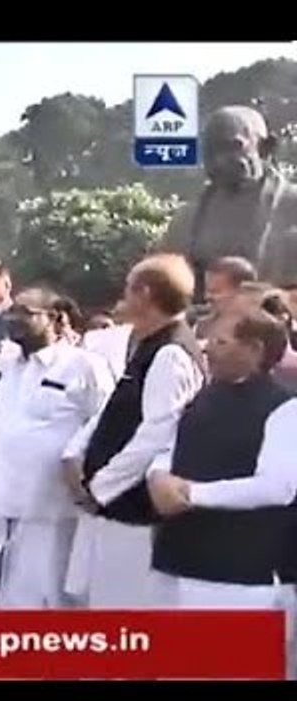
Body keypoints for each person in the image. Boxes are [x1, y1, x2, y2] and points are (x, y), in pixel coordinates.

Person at [146, 310, 297, 673]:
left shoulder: (284, 408)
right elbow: (170, 449)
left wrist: (190, 495)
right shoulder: (205, 396)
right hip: (179, 558)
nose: (207, 349)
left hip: (239, 572)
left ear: (255, 349)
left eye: (220, 341)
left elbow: (278, 487)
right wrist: (158, 477)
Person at [62, 253, 205, 607]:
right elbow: (117, 411)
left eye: (128, 287)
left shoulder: (170, 353)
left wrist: (101, 486)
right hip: (111, 507)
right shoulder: (148, 345)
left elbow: (156, 433)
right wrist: (76, 454)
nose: (122, 295)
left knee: (122, 609)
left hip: (134, 511)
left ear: (144, 293)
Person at [0, 288, 115, 608]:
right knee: (2, 597)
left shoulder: (84, 366)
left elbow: (105, 423)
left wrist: (88, 479)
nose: (13, 319)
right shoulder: (4, 365)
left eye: (25, 313)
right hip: (3, 500)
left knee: (55, 596)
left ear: (54, 318)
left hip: (55, 506)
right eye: (11, 312)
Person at [163, 105, 297, 291]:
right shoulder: (186, 219)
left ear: (266, 148)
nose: (219, 160)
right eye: (211, 152)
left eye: (233, 148)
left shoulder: (291, 207)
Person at [194, 256, 257, 342]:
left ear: (242, 292)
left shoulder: (260, 332)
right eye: (207, 290)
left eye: (215, 291)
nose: (207, 297)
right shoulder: (200, 327)